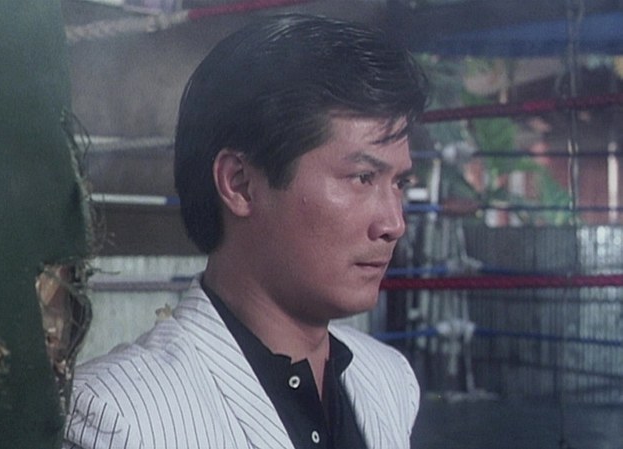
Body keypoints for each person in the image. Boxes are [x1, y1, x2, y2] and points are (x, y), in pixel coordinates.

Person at [65, 13, 428, 449]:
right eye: (363, 178)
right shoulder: (118, 417)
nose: (393, 224)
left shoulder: (388, 380)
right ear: (239, 184)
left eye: (400, 183)